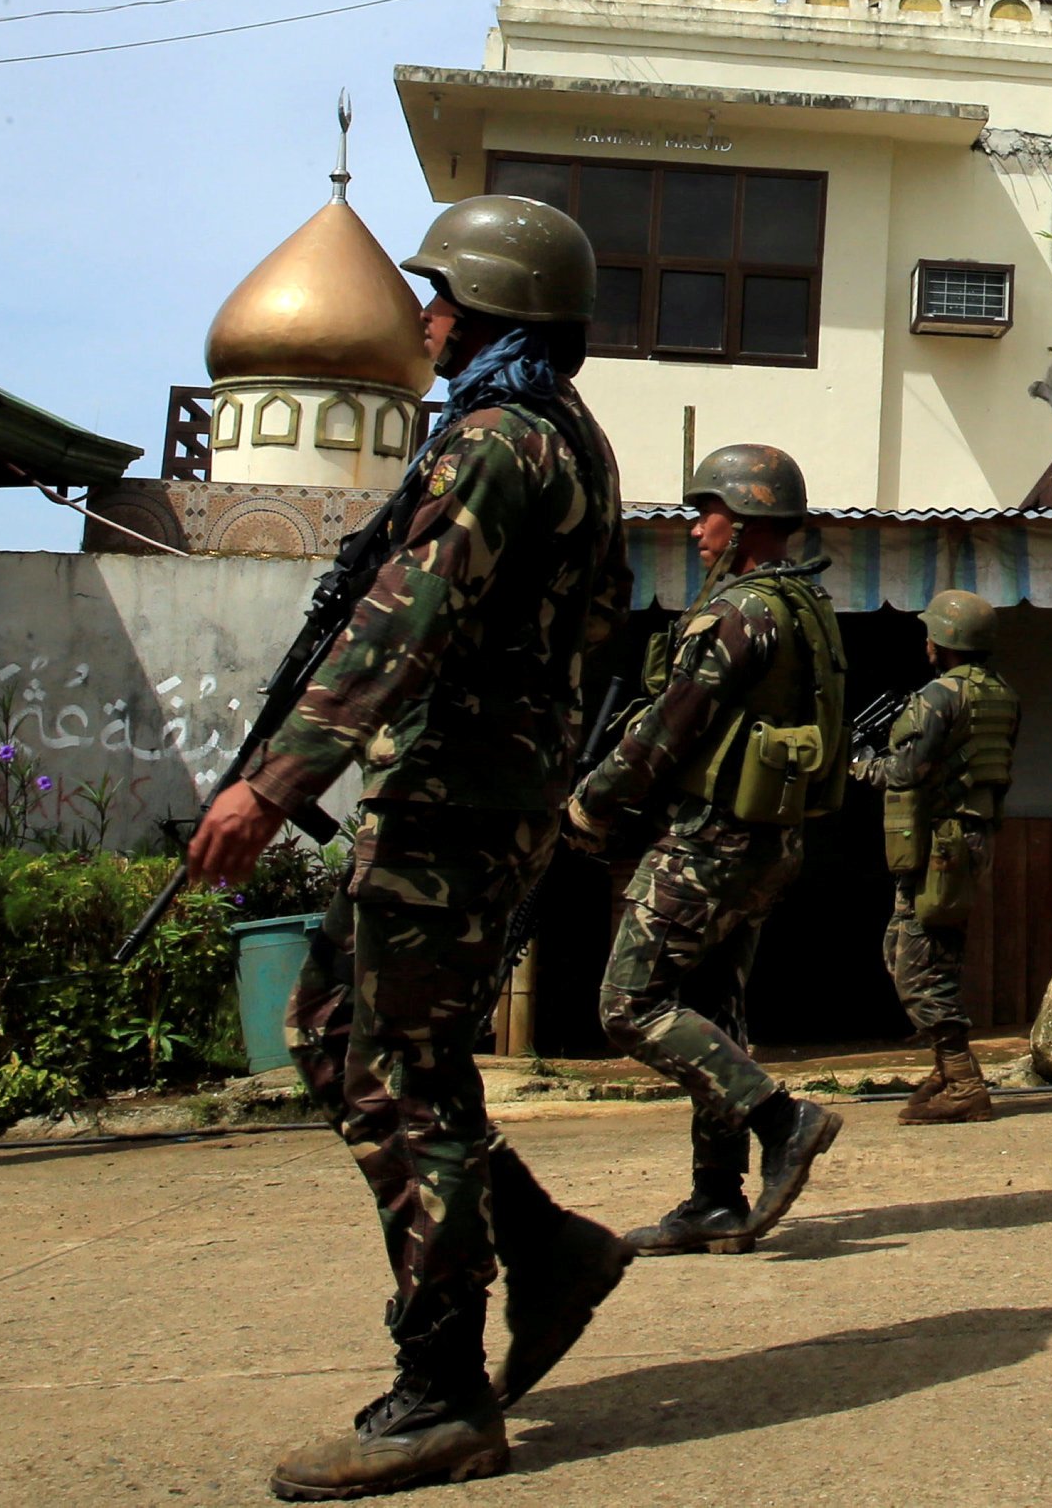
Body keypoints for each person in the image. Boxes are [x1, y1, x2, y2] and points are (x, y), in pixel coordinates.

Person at [182, 192, 638, 1501]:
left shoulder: (500, 442)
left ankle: (441, 1389)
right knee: (339, 1035)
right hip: (473, 796)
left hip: (453, 802)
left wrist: (271, 784)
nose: (422, 315)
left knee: (398, 1073)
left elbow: (401, 624)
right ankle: (546, 1249)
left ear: (500, 309)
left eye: (444, 294)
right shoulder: (560, 437)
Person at [568, 441, 850, 1255]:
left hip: (709, 842)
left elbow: (670, 727)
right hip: (765, 845)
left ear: (749, 521)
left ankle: (782, 1119)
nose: (696, 531)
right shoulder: (806, 606)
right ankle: (716, 1199)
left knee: (631, 1006)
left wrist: (592, 801)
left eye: (708, 513)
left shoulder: (739, 614)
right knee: (712, 1014)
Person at [860, 585, 1020, 1125]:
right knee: (913, 950)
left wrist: (858, 762)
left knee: (918, 963)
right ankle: (946, 1069)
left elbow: (905, 773)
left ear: (944, 640)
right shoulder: (1000, 693)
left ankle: (963, 1078)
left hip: (941, 843)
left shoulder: (941, 696)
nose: (926, 641)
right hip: (967, 840)